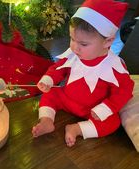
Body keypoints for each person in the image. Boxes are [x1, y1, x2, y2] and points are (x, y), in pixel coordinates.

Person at [32, 0, 135, 147]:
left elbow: (124, 91)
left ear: (108, 41)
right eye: (72, 39)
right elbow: (58, 68)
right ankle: (46, 121)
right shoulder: (73, 54)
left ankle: (77, 129)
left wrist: (106, 107)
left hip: (92, 109)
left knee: (112, 122)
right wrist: (48, 80)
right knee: (50, 93)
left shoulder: (114, 67)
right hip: (66, 98)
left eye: (83, 44)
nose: (75, 47)